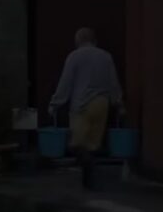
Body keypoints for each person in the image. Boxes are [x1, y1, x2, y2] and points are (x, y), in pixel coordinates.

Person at [48, 27, 124, 190]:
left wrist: (55, 104)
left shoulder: (74, 57)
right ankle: (89, 181)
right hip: (102, 104)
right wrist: (118, 102)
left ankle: (88, 174)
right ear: (94, 40)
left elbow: (65, 83)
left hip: (81, 105)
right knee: (92, 145)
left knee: (77, 144)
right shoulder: (106, 57)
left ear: (78, 41)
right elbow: (113, 82)